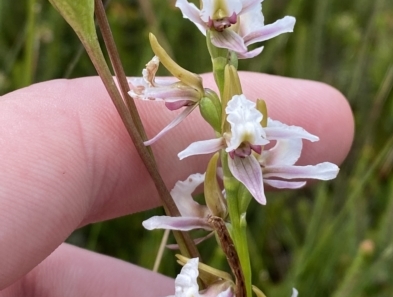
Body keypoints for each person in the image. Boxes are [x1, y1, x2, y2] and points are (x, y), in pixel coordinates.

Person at [0, 72, 354, 296]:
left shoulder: (235, 155)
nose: (246, 151)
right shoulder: (219, 148)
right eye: (241, 143)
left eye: (251, 143)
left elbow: (278, 145)